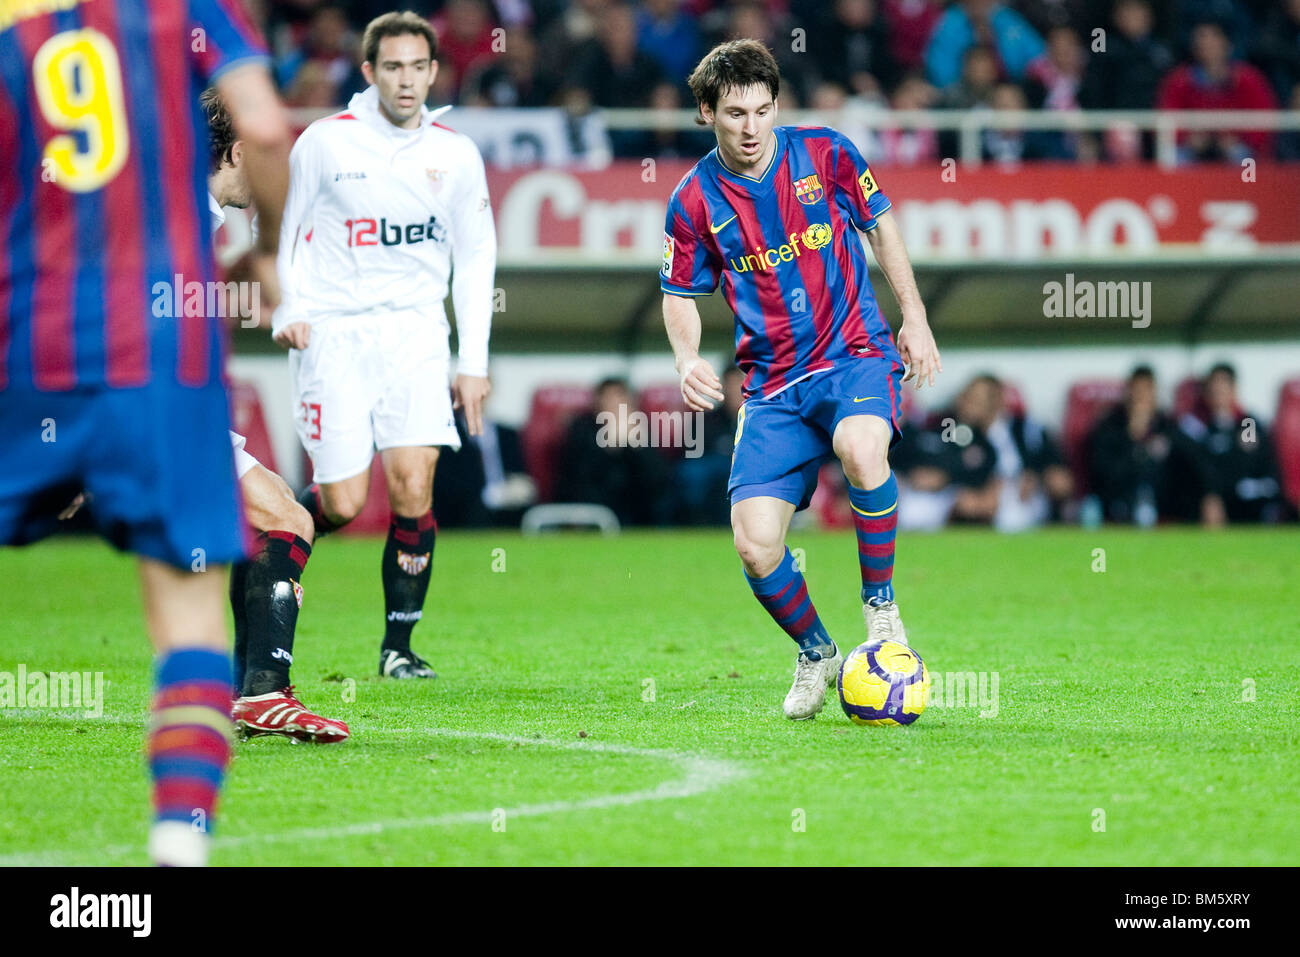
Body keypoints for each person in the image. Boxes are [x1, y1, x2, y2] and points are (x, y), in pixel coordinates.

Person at [0, 0, 291, 865]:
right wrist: (269, 251)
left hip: (30, 336)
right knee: (191, 615)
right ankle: (178, 841)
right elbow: (267, 130)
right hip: (160, 354)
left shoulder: (16, 34)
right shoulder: (190, 15)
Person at [660, 39, 942, 721]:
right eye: (734, 113)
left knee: (861, 448)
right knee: (755, 542)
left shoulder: (827, 154)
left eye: (762, 110)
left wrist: (916, 316)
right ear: (707, 113)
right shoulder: (693, 199)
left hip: (854, 354)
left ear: (777, 106)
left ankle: (881, 612)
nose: (751, 127)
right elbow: (678, 293)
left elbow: (881, 227)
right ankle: (817, 651)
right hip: (773, 387)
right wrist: (687, 359)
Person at [272, 11, 497, 680]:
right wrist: (291, 303)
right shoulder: (324, 142)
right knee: (341, 500)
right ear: (368, 72)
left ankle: (398, 647)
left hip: (417, 332)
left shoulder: (455, 153)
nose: (406, 80)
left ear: (434, 71)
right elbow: (286, 230)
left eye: (417, 67)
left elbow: (477, 255)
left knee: (411, 483)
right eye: (392, 67)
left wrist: (473, 362)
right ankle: (269, 545)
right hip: (336, 331)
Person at [202, 89, 348, 742]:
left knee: (277, 513)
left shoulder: (182, 213)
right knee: (286, 518)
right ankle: (261, 690)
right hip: (144, 409)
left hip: (151, 406)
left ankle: (254, 690)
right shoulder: (182, 218)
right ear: (238, 151)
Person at [1177, 364, 1286, 524]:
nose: (1218, 395)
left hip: (1245, 497)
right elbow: (1199, 462)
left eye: (1222, 389)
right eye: (1213, 390)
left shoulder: (1247, 422)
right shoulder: (1199, 425)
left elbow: (1248, 461)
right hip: (1214, 496)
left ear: (1233, 389)